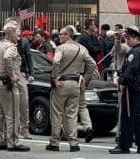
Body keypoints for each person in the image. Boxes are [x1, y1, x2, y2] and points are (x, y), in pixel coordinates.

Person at [46, 25, 95, 153]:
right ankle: (73, 143)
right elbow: (92, 64)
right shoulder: (81, 49)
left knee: (56, 113)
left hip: (62, 83)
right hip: (76, 83)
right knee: (72, 114)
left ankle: (55, 142)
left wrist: (54, 77)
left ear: (67, 35)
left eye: (62, 34)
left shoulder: (61, 48)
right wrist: (85, 78)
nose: (59, 36)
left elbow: (56, 62)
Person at [0, 19, 30, 152]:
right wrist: (11, 76)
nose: (18, 37)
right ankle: (13, 142)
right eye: (17, 34)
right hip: (7, 83)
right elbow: (7, 58)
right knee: (13, 114)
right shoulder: (11, 47)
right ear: (11, 35)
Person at [109, 26, 140, 154]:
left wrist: (121, 82)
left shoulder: (134, 53)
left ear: (136, 38)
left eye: (129, 38)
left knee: (127, 117)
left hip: (132, 88)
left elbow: (129, 70)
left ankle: (124, 145)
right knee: (137, 117)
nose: (127, 40)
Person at [17, 27, 34, 139]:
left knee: (24, 103)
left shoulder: (23, 42)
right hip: (7, 75)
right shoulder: (2, 42)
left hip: (21, 74)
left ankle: (24, 130)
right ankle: (10, 131)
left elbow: (29, 58)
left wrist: (31, 73)